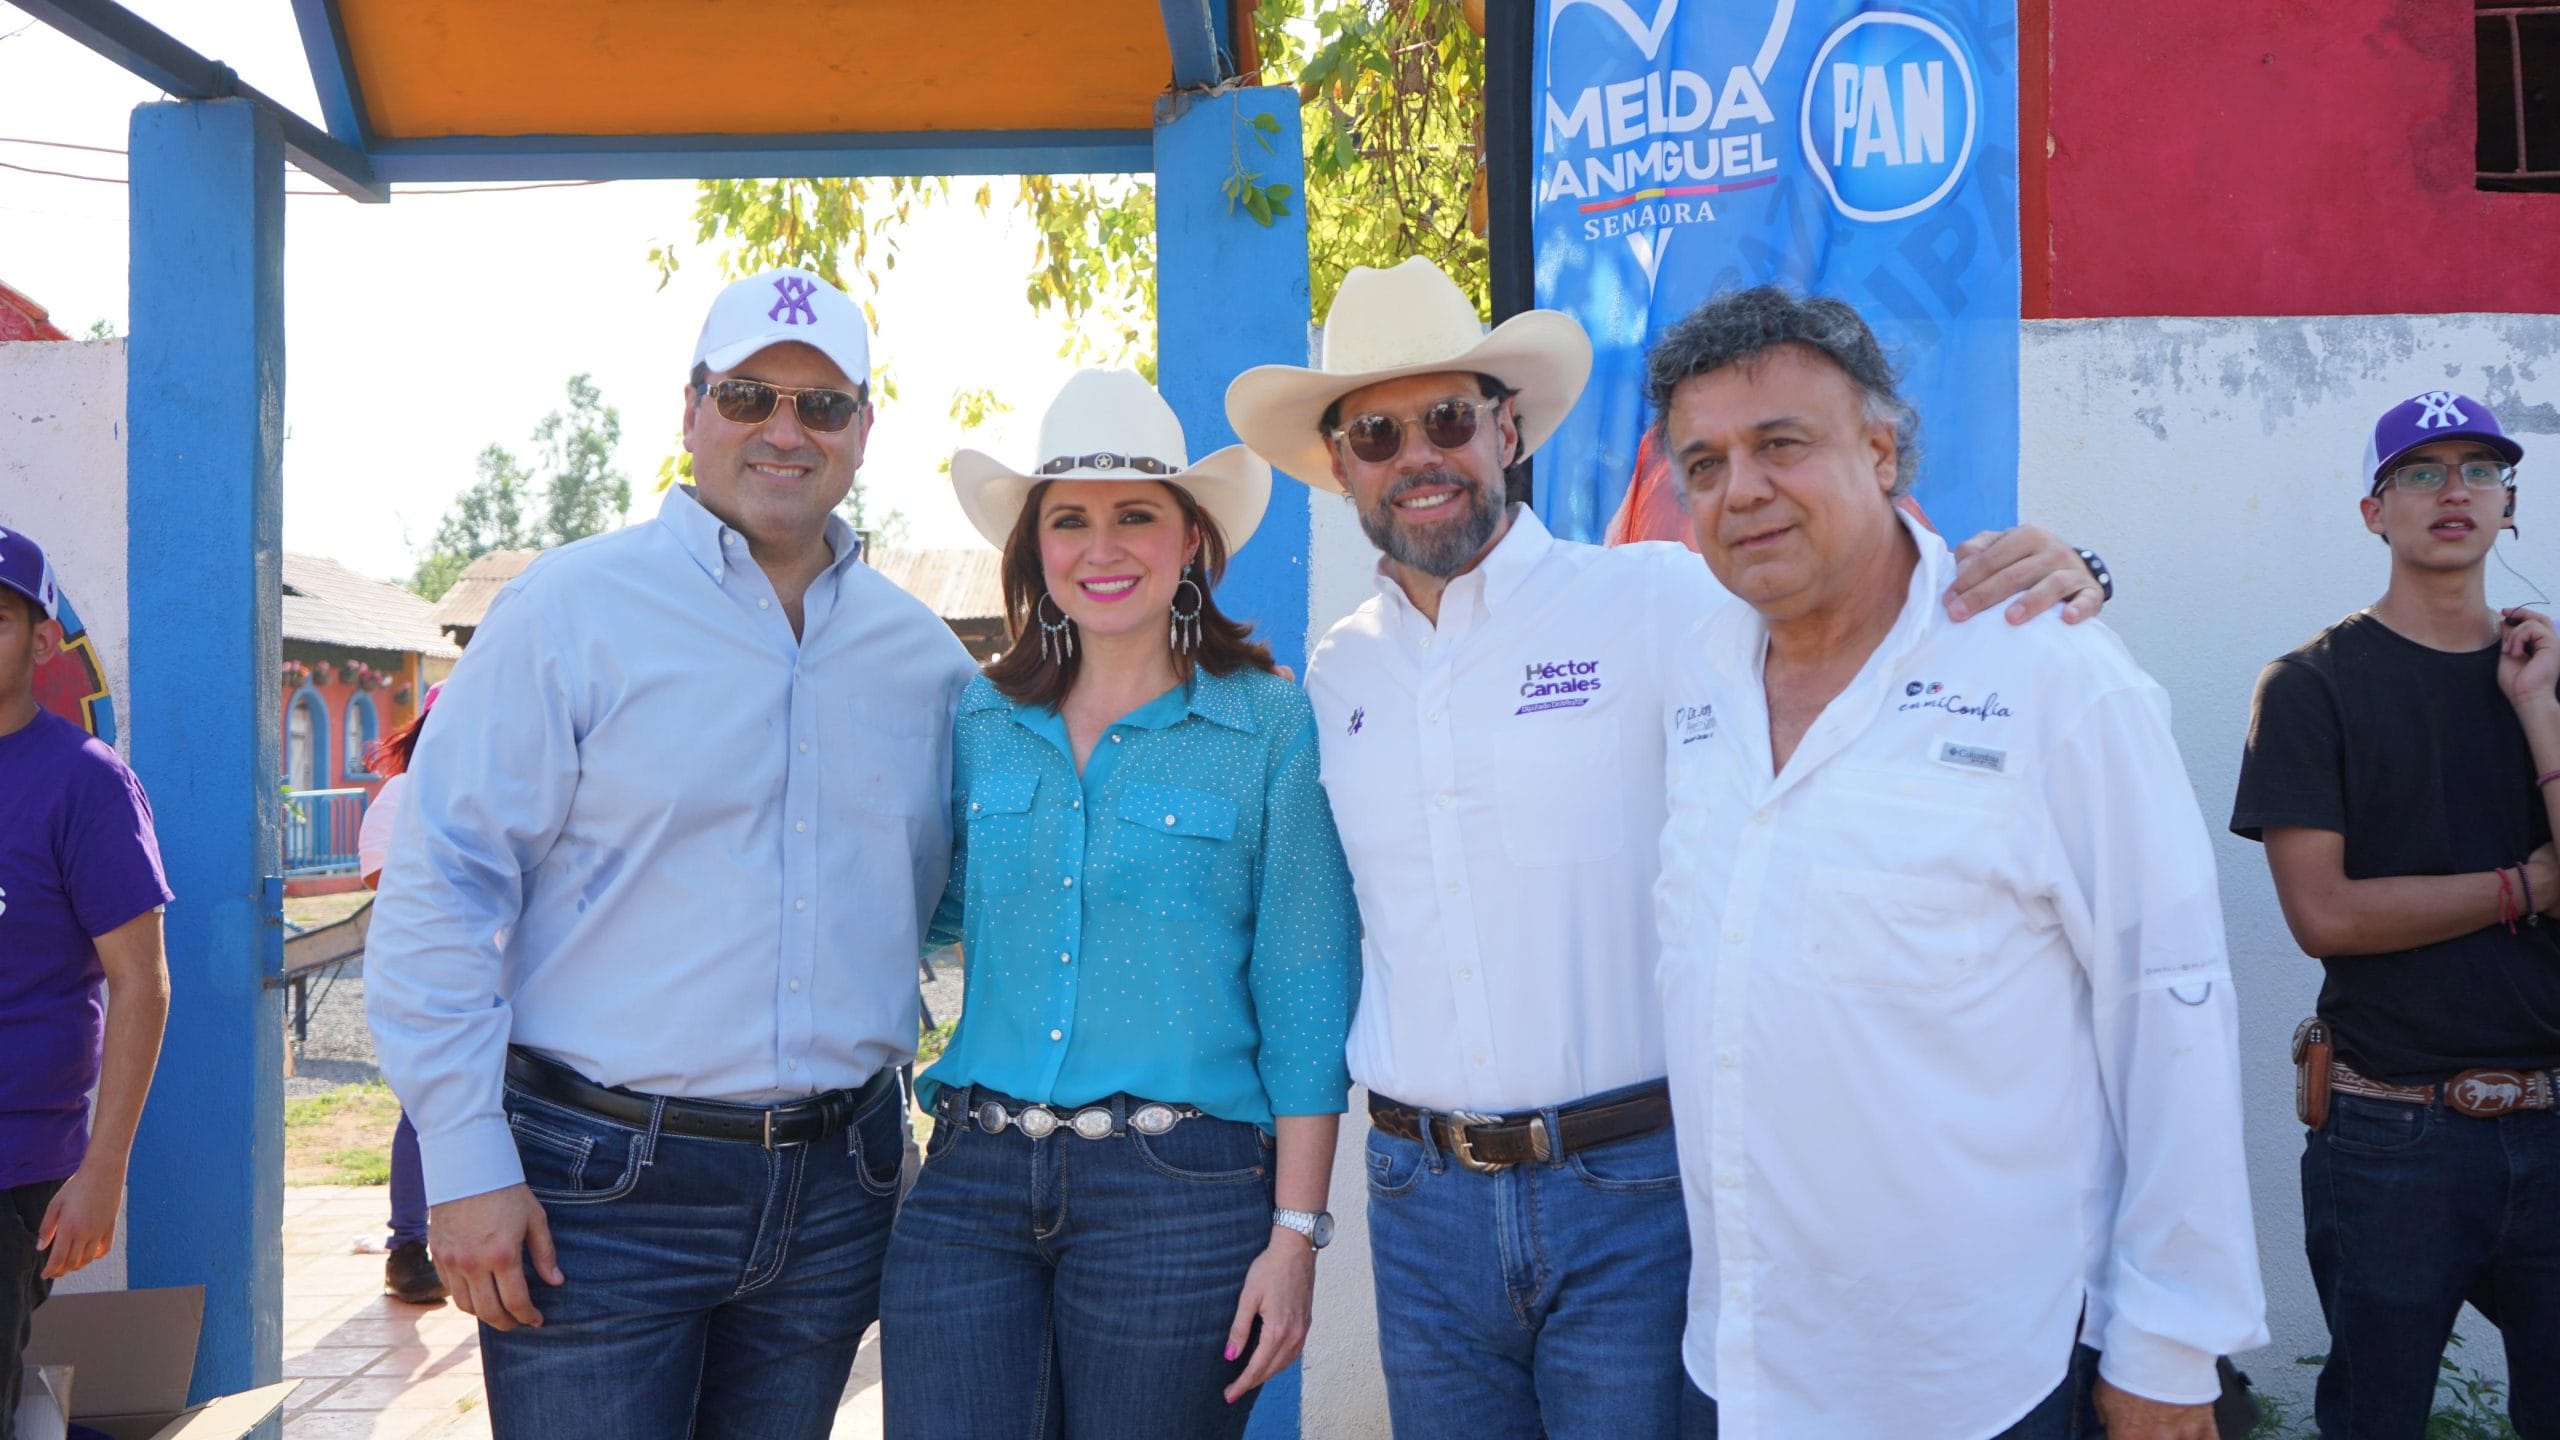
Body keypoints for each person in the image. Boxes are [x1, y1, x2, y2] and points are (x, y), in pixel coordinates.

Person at [1221, 258, 2115, 1438]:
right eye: (1376, 434)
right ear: (1340, 466)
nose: (1416, 457)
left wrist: (2056, 578)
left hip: (1630, 1187)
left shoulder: (1657, 601)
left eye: (1446, 419)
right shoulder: (1332, 675)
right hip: (1417, 1200)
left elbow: (1866, 606)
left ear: (1505, 429)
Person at [365, 268, 976, 1440]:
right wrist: (463, 1157)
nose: (784, 430)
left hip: (839, 1189)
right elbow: (444, 890)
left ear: (864, 428)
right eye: (749, 395)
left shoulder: (924, 661)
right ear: (690, 408)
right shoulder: (568, 612)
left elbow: (945, 907)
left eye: (822, 404)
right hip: (593, 1191)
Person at [1646, 288, 2265, 1440]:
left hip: (1980, 1375)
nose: (1743, 490)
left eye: (1781, 443)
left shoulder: (2054, 676)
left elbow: (2169, 1004)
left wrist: (2171, 1343)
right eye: (1706, 462)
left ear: (1880, 452)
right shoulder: (1693, 676)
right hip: (1742, 1361)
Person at [878, 369, 1361, 1438]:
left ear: (1190, 540)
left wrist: (1294, 1235)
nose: (1103, 548)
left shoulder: (1271, 728)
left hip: (1179, 1195)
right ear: (1035, 550)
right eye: (1071, 521)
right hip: (971, 1185)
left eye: (1136, 515)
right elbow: (931, 909)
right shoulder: (980, 720)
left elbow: (1304, 995)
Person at [2233, 390, 2560, 1438]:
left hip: (2556, 1118)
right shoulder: (2309, 687)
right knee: (2375, 1419)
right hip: (2390, 1129)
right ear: (2373, 512)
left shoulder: (2546, 678)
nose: (2452, 491)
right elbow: (2324, 916)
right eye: (2419, 473)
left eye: (2478, 471)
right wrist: (2525, 887)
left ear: (2510, 506)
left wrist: (2536, 710)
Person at [0, 526, 172, 1427]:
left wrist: (103, 1169)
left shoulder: (85, 784)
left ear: (39, 637)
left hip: (12, 1163)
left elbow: (141, 985)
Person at [353, 680, 447, 1306]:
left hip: (505, 975)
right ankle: (407, 1249)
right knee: (424, 1106)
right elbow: (382, 875)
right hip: (424, 973)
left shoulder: (503, 793)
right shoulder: (405, 794)